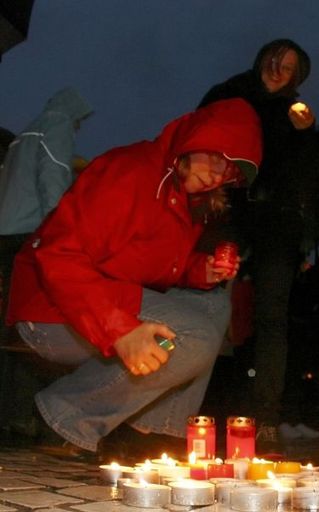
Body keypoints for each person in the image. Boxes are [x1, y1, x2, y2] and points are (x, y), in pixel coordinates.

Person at [4, 98, 262, 455]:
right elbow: (58, 254)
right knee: (193, 335)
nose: (218, 174)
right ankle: (63, 417)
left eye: (229, 171)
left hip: (109, 297)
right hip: (50, 310)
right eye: (216, 157)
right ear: (195, 138)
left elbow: (153, 268)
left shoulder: (183, 201)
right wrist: (119, 329)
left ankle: (149, 431)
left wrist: (199, 270)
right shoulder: (132, 171)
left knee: (215, 305)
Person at [197, 39, 318, 444]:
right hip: (226, 212)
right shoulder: (227, 94)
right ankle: (193, 410)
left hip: (276, 222)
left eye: (288, 67)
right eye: (273, 59)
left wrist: (305, 135)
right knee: (205, 300)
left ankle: (265, 415)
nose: (277, 69)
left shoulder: (295, 114)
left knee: (271, 317)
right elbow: (198, 141)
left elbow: (304, 175)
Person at [0, 87, 92, 331]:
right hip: (27, 227)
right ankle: (20, 348)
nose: (78, 126)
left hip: (7, 225)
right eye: (80, 120)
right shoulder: (58, 123)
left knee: (9, 292)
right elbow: (54, 172)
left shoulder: (28, 131)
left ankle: (8, 342)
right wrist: (57, 223)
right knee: (25, 296)